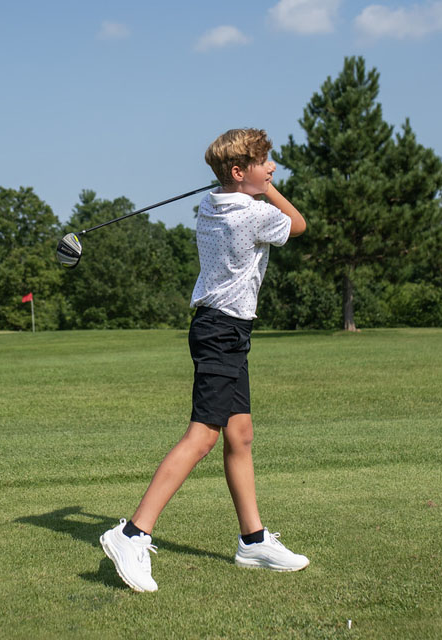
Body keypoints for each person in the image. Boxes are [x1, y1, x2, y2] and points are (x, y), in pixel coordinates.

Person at [99, 128, 309, 591]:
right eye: (264, 163)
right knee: (202, 436)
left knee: (241, 433)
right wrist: (268, 190)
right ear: (240, 172)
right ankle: (131, 534)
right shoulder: (252, 214)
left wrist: (241, 181)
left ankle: (253, 541)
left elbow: (232, 190)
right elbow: (298, 224)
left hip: (222, 328)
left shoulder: (213, 203)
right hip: (223, 332)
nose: (272, 168)